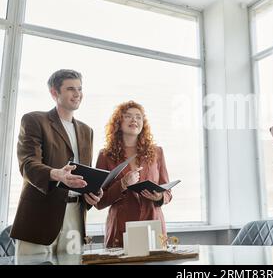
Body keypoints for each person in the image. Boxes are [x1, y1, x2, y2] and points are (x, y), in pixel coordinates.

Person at [11, 69, 103, 257]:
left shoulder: (87, 131)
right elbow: (28, 163)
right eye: (71, 89)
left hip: (75, 217)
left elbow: (83, 174)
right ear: (54, 93)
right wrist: (56, 174)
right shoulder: (34, 120)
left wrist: (92, 192)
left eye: (79, 88)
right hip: (39, 216)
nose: (77, 94)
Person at [95, 101, 172, 248]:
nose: (134, 120)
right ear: (119, 122)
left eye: (138, 117)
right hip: (121, 225)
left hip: (153, 223)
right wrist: (122, 184)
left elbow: (167, 191)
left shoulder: (157, 152)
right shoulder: (105, 155)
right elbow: (99, 201)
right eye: (128, 116)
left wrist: (160, 197)